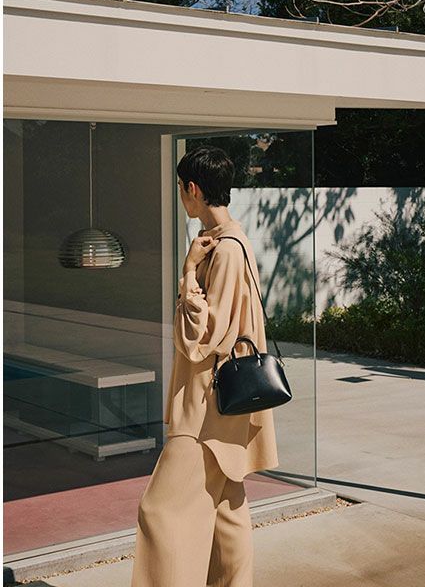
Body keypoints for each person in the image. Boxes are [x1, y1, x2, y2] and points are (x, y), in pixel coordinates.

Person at [131, 145, 279, 587]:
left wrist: (188, 273)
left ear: (193, 189)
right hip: (222, 404)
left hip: (205, 409)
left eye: (181, 188)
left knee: (158, 511)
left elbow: (202, 340)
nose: (182, 196)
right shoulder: (232, 240)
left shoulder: (225, 250)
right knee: (227, 509)